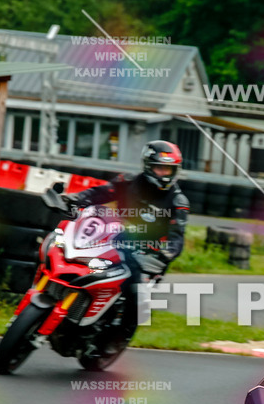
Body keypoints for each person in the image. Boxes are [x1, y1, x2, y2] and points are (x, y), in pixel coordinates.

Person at [68, 140, 189, 348]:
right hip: (115, 240)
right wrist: (73, 199)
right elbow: (99, 193)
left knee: (135, 293)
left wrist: (166, 254)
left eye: (169, 169)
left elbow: (177, 236)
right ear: (148, 166)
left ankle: (116, 339)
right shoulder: (129, 181)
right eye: (160, 168)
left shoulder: (178, 201)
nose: (164, 174)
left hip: (149, 257)